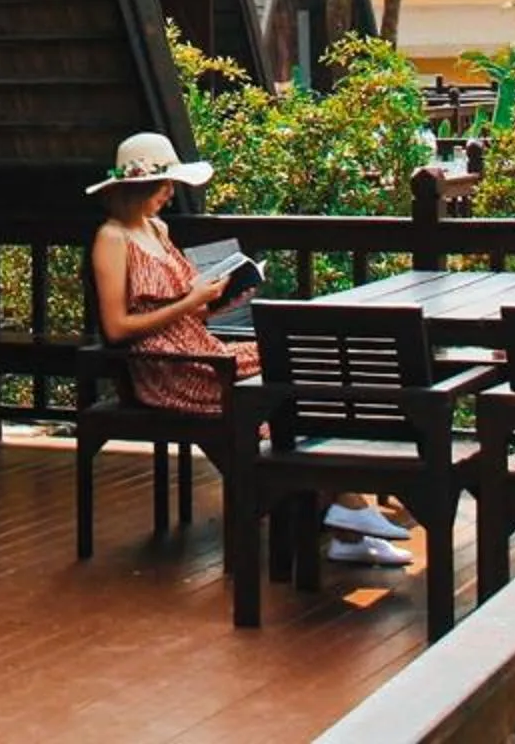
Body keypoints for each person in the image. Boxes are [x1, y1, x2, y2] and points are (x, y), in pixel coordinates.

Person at [85, 131, 414, 566]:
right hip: (165, 366)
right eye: (164, 185)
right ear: (139, 187)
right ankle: (346, 514)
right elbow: (117, 326)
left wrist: (219, 300)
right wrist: (189, 302)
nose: (169, 194)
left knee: (298, 358)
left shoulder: (158, 229)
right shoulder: (112, 238)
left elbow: (189, 311)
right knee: (277, 387)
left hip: (199, 345)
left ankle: (344, 516)